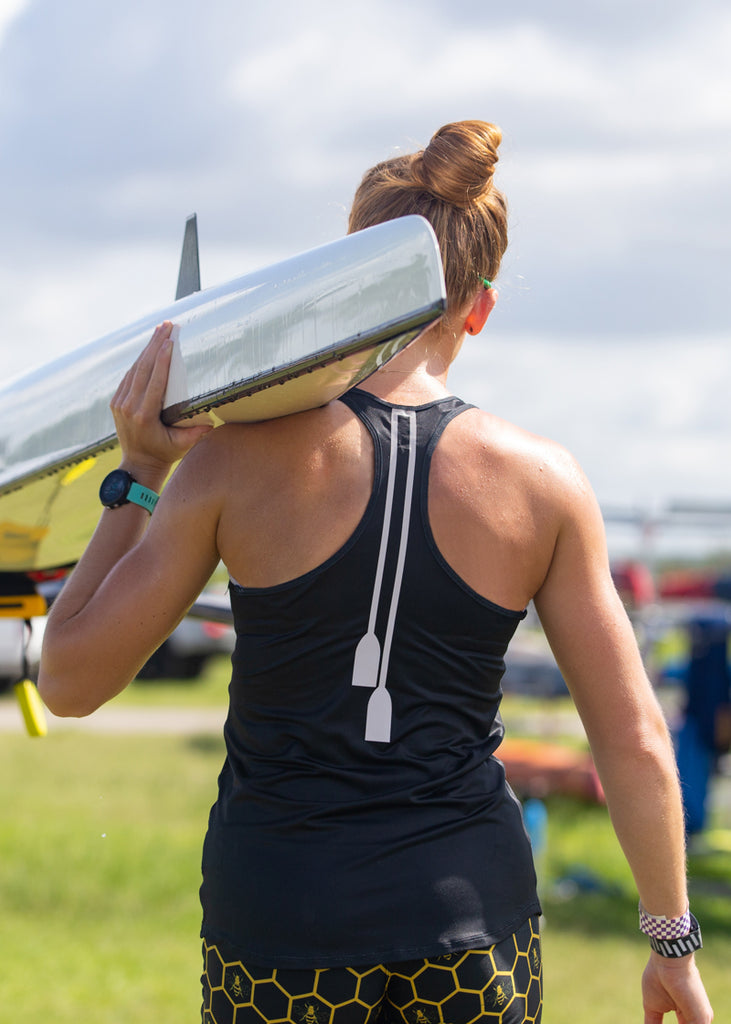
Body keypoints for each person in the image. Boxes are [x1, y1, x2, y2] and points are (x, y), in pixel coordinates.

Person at [38, 121, 713, 1024]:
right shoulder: (545, 485)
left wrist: (139, 475)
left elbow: (69, 679)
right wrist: (670, 942)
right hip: (473, 930)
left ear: (347, 279)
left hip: (280, 929)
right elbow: (632, 740)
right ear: (479, 308)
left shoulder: (234, 464)